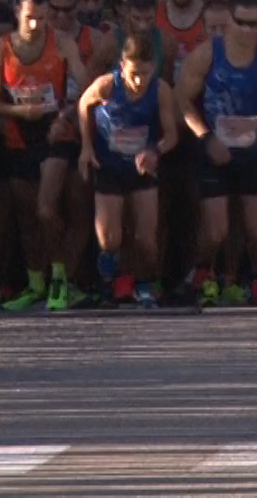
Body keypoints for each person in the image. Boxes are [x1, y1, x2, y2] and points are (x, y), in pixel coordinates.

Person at [180, 0, 257, 306]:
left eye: (253, 24)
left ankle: (254, 278)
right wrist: (206, 138)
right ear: (228, 19)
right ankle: (204, 272)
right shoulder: (207, 54)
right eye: (240, 22)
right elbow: (183, 101)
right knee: (215, 231)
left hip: (252, 151)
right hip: (213, 148)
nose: (246, 30)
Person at [0, 0, 91, 311]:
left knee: (47, 209)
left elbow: (86, 89)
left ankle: (60, 276)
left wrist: (65, 116)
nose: (36, 25)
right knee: (28, 217)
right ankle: (35, 283)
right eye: (30, 18)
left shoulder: (60, 44)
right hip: (19, 135)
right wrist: (19, 113)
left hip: (54, 134)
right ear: (19, 12)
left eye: (42, 19)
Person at [78, 34, 180, 308]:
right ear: (122, 65)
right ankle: (109, 281)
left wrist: (155, 152)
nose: (139, 81)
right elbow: (82, 105)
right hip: (110, 165)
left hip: (141, 167)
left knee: (146, 237)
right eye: (134, 73)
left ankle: (144, 282)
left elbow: (171, 135)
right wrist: (86, 148)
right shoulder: (107, 85)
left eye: (145, 73)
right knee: (109, 238)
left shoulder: (160, 90)